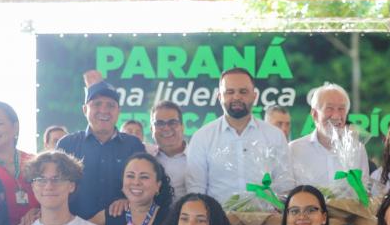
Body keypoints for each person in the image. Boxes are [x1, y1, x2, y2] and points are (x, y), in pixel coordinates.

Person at [186, 68, 290, 204]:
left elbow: (285, 184)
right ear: (219, 97)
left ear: (254, 96)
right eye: (229, 92)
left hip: (267, 221)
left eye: (243, 91)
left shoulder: (274, 136)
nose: (236, 97)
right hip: (217, 222)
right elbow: (196, 190)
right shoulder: (202, 137)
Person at [57, 77, 146, 220]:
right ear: (85, 109)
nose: (104, 110)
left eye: (110, 105)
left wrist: (128, 199)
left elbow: (145, 186)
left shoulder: (134, 145)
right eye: (97, 104)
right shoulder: (67, 145)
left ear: (118, 111)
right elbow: (54, 186)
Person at [288, 83, 370, 190]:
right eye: (329, 108)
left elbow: (364, 191)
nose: (336, 115)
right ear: (314, 114)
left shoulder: (357, 149)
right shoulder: (294, 149)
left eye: (341, 109)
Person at [149, 101, 188, 201]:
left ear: (182, 127)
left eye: (172, 122)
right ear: (151, 129)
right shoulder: (146, 158)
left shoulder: (199, 157)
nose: (166, 128)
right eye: (159, 123)